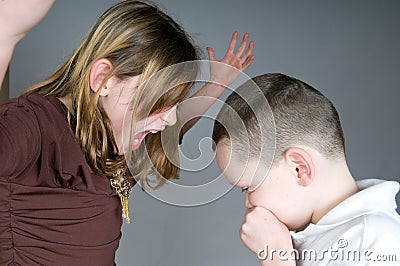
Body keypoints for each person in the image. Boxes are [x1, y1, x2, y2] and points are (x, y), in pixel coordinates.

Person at [0, 0, 255, 264]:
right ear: (103, 80)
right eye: (159, 102)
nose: (169, 119)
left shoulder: (116, 138)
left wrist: (218, 83)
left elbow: (176, 127)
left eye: (174, 104)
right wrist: (5, 34)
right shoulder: (33, 125)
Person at [212, 73, 400, 265]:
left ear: (299, 168)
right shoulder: (313, 237)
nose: (248, 204)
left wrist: (275, 256)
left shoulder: (375, 242)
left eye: (248, 188)